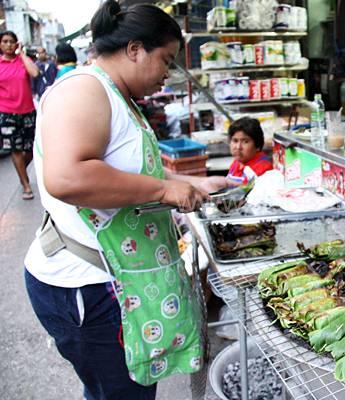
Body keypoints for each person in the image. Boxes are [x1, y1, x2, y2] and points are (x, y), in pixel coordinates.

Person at [24, 2, 230, 399]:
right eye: (165, 60)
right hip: (86, 289)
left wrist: (195, 182)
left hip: (111, 283)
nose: (166, 75)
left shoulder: (118, 97)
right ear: (135, 49)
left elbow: (134, 171)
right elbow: (67, 176)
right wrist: (164, 190)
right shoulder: (85, 88)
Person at [0, 30, 40, 200]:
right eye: (5, 41)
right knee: (15, 150)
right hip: (7, 112)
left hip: (28, 112)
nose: (9, 45)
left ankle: (21, 170)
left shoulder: (22, 61)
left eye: (12, 42)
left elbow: (35, 73)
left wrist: (22, 53)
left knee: (30, 149)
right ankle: (25, 185)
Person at [226, 117, 273, 184]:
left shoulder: (264, 167)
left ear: (257, 145)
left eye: (245, 141)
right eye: (235, 141)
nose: (238, 147)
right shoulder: (237, 162)